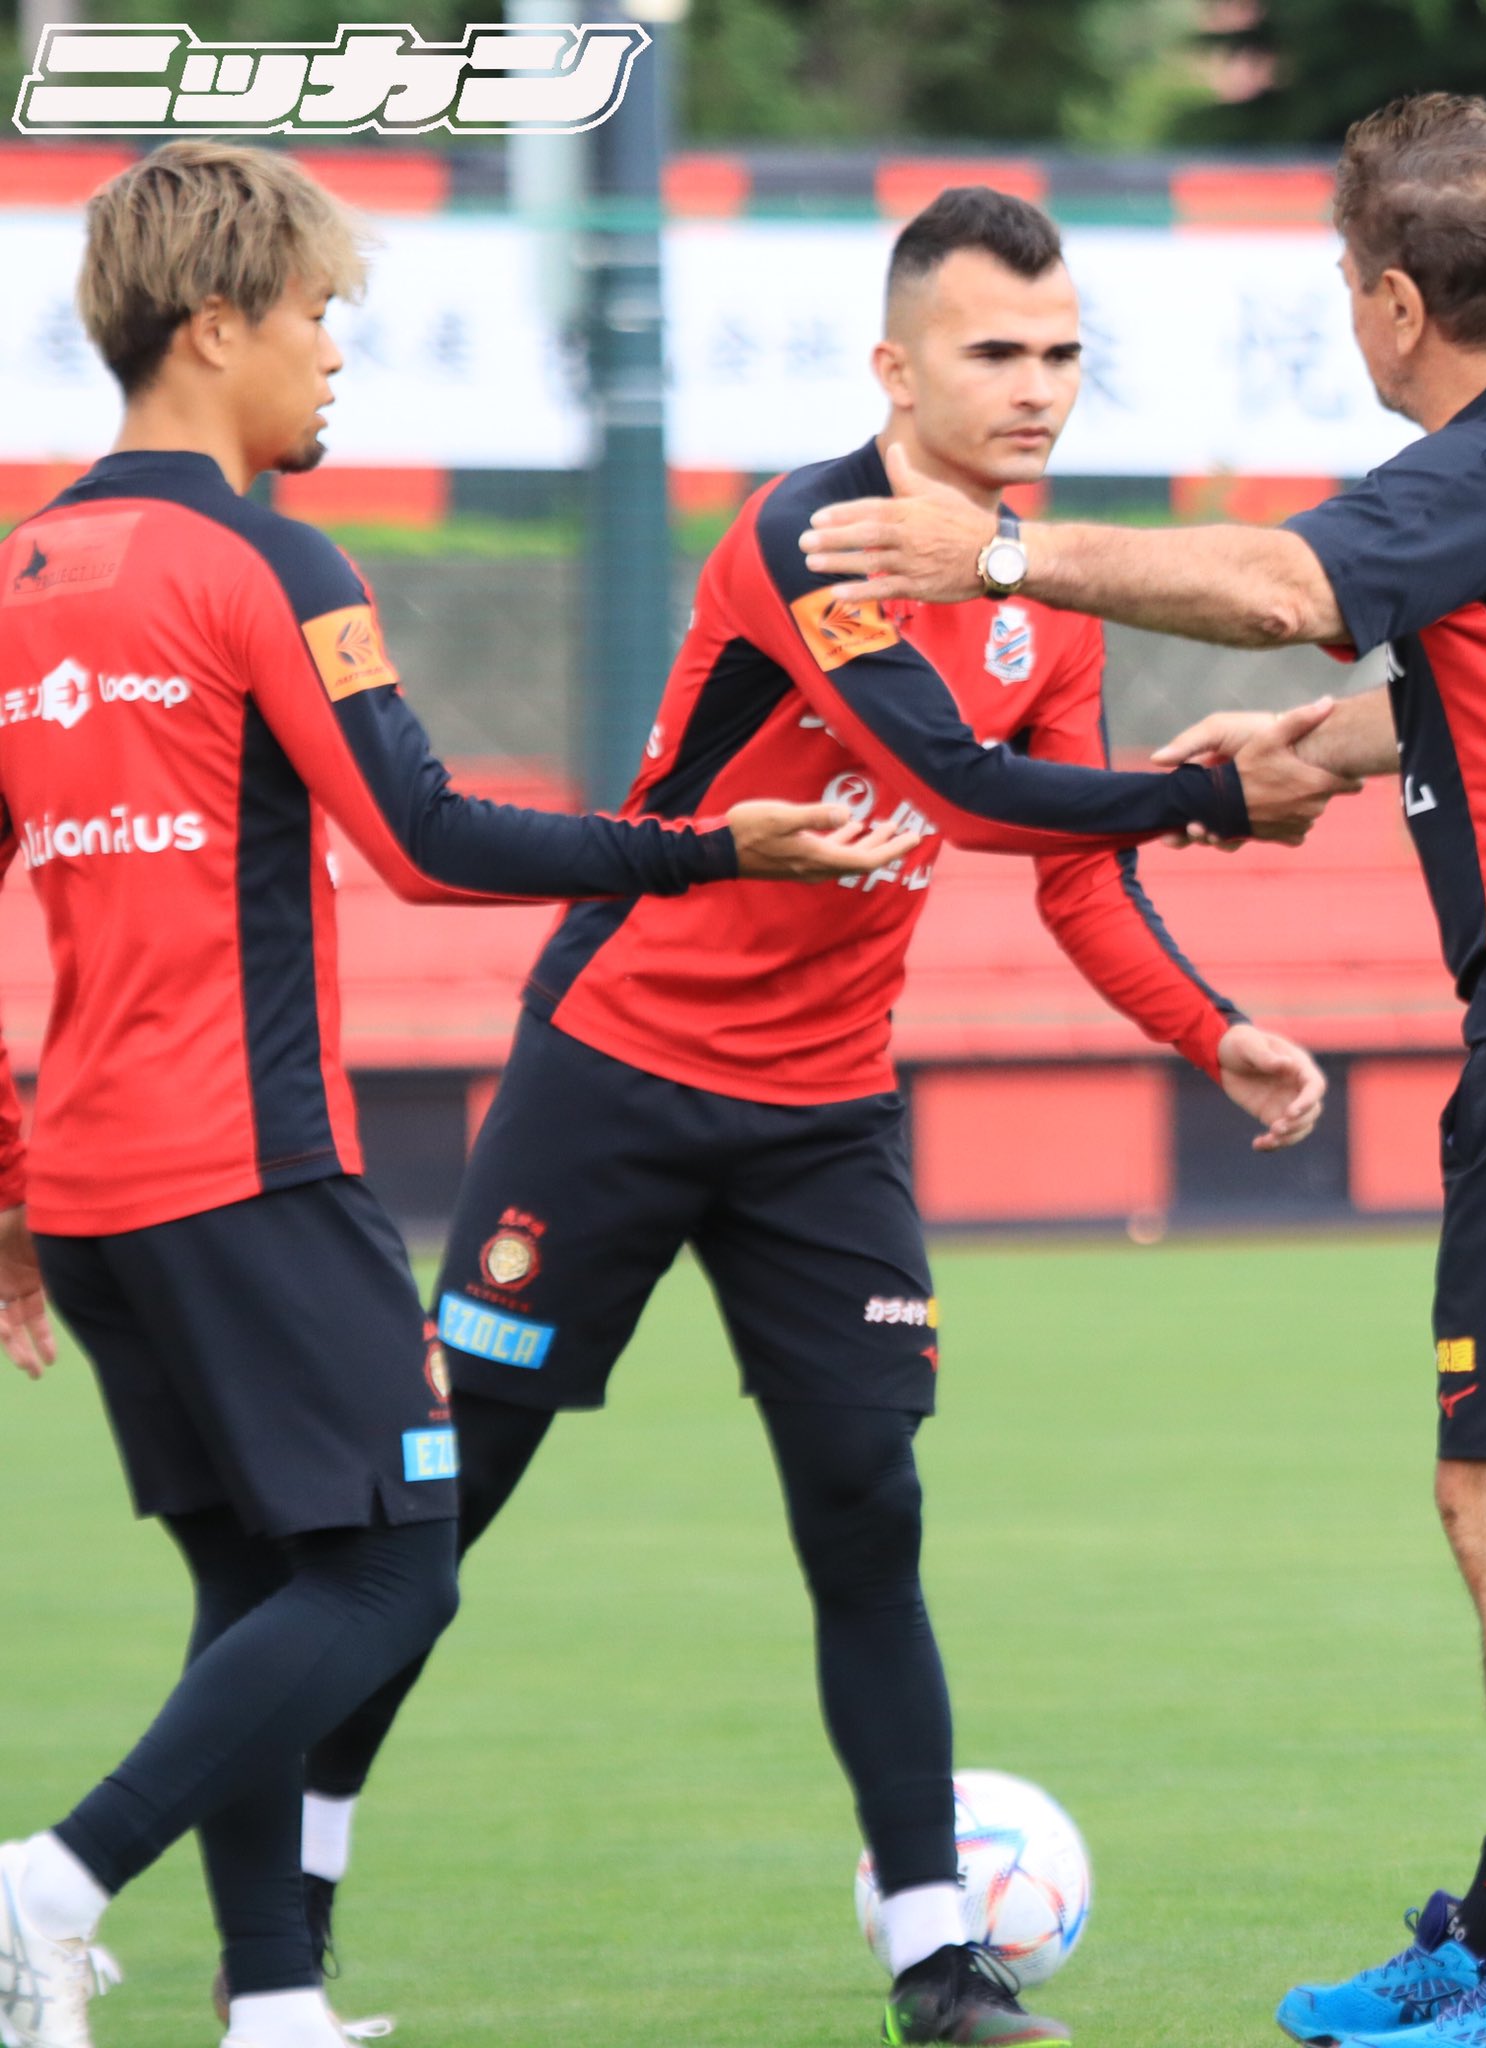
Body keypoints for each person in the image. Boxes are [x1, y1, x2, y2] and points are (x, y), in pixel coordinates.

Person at [800, 96, 1486, 2048]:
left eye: (1352, 286)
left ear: (1400, 304)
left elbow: (1277, 581)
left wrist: (995, 553)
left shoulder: (1483, 463)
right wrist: (1319, 751)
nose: (1354, 317)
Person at [292, 186, 1340, 2048]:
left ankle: (939, 1963)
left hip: (824, 1116)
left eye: (1061, 354)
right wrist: (1200, 800)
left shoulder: (1039, 592)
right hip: (609, 1077)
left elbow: (1066, 870)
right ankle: (283, 1907)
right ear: (893, 368)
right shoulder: (812, 532)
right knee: (445, 1512)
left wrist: (1210, 1028)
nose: (1035, 388)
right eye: (992, 351)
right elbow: (959, 785)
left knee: (867, 1510)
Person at [0, 141, 912, 2048]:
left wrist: (9, 1185)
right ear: (215, 326)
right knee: (398, 1572)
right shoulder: (267, 561)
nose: (336, 351)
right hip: (248, 1171)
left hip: (92, 1194)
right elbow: (421, 840)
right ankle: (48, 1889)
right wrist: (708, 849)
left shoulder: (22, 577)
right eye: (317, 313)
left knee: (262, 1585)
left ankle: (273, 2007)